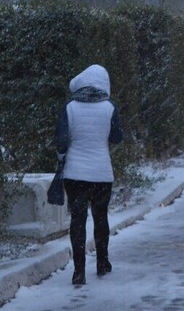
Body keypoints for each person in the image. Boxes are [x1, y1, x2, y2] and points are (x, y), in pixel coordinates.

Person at [55, 64, 124, 285]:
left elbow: (61, 140)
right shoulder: (109, 108)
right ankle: (102, 263)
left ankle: (79, 272)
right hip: (102, 173)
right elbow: (117, 137)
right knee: (100, 218)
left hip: (75, 174)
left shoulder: (70, 108)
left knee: (77, 220)